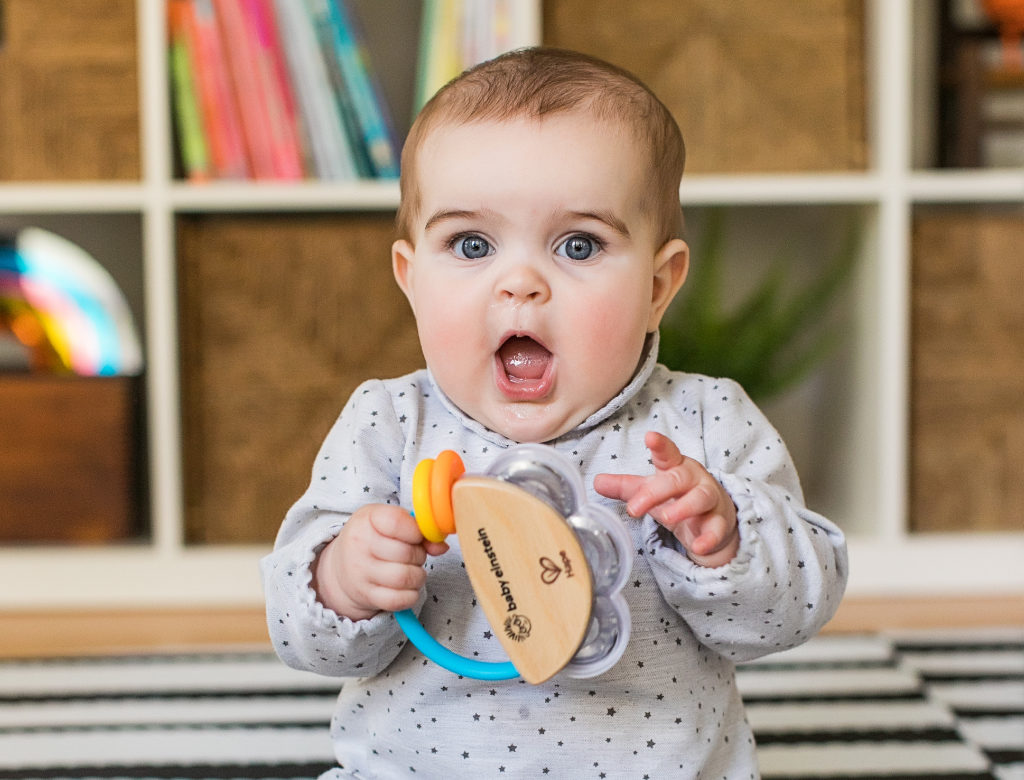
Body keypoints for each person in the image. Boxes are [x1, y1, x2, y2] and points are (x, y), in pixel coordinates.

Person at [261, 47, 848, 778]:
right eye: (471, 244)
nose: (521, 284)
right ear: (411, 281)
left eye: (579, 244)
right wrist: (341, 581)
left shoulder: (701, 424)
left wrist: (724, 538)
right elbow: (302, 637)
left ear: (659, 285)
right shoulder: (387, 424)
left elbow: (787, 614)